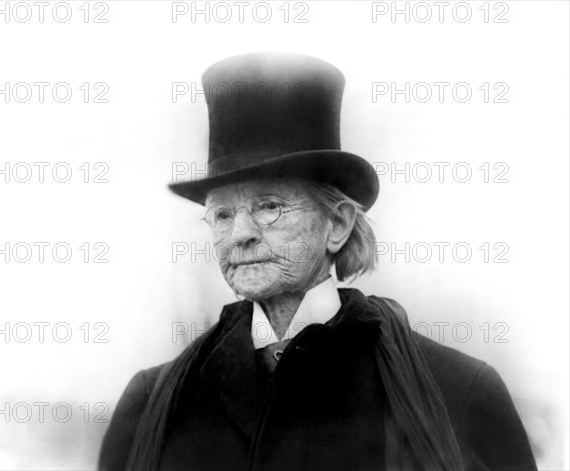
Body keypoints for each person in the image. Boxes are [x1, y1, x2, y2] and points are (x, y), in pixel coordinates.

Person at [98, 52, 537, 471]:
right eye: (222, 214)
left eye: (269, 206)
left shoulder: (457, 392)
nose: (240, 234)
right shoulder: (153, 403)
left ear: (337, 224)